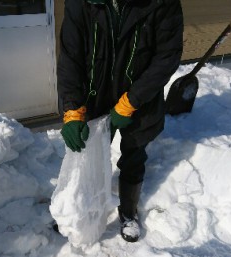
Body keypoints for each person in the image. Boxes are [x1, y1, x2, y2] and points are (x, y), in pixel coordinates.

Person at [57, 0, 184, 242]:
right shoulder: (81, 3)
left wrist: (131, 102)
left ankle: (128, 211)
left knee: (134, 152)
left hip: (141, 95)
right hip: (95, 91)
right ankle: (76, 209)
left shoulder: (162, 3)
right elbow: (71, 56)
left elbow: (166, 57)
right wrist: (73, 109)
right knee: (86, 151)